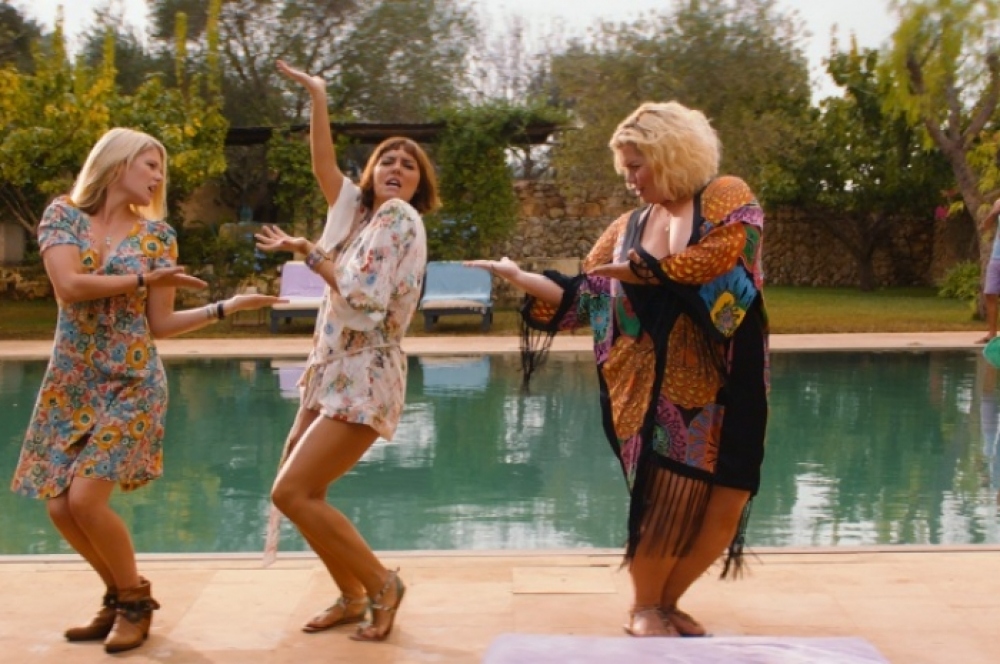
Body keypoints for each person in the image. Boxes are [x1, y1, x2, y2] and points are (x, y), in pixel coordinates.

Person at [467, 101, 769, 637]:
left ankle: (667, 602)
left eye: (636, 165)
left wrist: (645, 270)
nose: (629, 178)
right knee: (668, 505)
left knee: (728, 503)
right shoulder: (626, 228)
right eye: (624, 167)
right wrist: (521, 277)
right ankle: (645, 606)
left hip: (733, 382)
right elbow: (586, 296)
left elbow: (718, 259)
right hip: (654, 393)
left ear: (671, 156)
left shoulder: (725, 196)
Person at [9, 127, 281, 653]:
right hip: (72, 380)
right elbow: (70, 285)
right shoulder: (63, 216)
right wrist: (142, 281)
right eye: (150, 165)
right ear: (117, 163)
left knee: (86, 500)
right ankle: (118, 597)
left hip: (134, 381)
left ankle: (135, 603)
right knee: (60, 508)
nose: (159, 177)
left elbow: (159, 324)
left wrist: (226, 308)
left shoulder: (158, 237)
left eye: (161, 168)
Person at [253, 60, 439, 643]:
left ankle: (383, 584)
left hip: (365, 372)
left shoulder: (398, 218)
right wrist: (319, 96)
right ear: (372, 173)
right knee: (305, 492)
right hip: (331, 371)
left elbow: (364, 296)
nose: (397, 168)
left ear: (418, 185)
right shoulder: (359, 215)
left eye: (409, 164)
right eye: (388, 159)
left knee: (291, 492)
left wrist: (310, 253)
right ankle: (352, 594)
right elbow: (323, 165)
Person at [977, 198, 1000, 344]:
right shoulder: (998, 203)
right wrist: (994, 212)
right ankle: (992, 334)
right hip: (997, 256)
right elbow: (985, 227)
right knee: (990, 293)